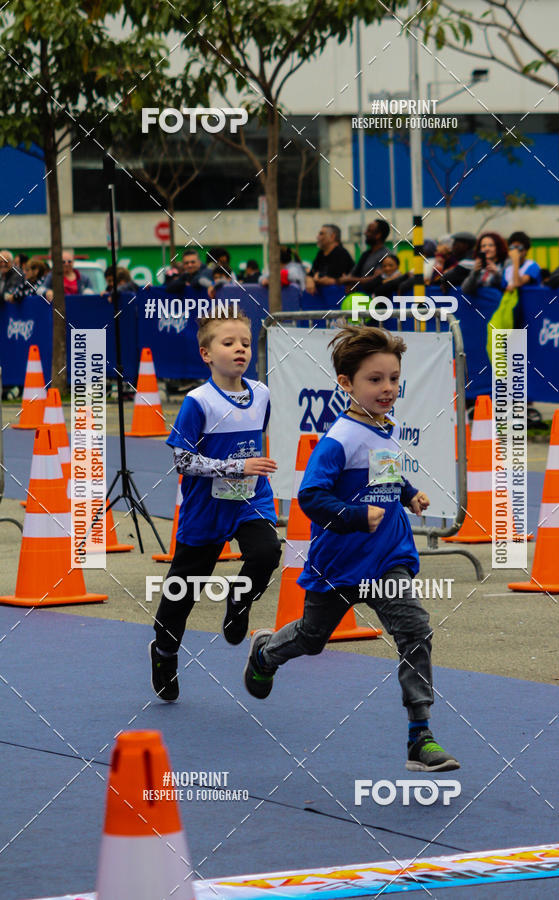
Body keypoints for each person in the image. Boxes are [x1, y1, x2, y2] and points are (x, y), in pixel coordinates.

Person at [244, 325, 459, 773]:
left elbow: (385, 474)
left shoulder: (385, 426)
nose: (388, 389)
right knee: (311, 638)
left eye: (394, 379)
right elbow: (311, 497)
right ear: (346, 383)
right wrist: (356, 517)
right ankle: (266, 652)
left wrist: (408, 493)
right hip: (339, 564)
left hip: (387, 559)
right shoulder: (338, 439)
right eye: (375, 380)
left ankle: (420, 736)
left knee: (415, 630)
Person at [149, 308, 282, 702]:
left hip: (250, 500)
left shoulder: (262, 394)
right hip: (205, 508)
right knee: (181, 593)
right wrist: (235, 465)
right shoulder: (198, 402)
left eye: (244, 342)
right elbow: (182, 461)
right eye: (228, 343)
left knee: (266, 552)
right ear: (206, 353)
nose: (239, 349)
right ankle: (164, 652)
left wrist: (247, 471)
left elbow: (256, 437)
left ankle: (239, 600)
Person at [338, 219, 391, 289]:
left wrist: (349, 279)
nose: (365, 233)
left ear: (378, 235)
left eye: (369, 231)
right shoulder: (365, 254)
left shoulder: (386, 255)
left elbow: (376, 280)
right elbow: (353, 274)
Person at [305, 224, 354, 294]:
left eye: (321, 234)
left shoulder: (342, 254)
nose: (317, 237)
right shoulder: (321, 254)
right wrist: (309, 279)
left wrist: (318, 279)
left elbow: (337, 279)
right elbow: (312, 273)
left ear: (332, 236)